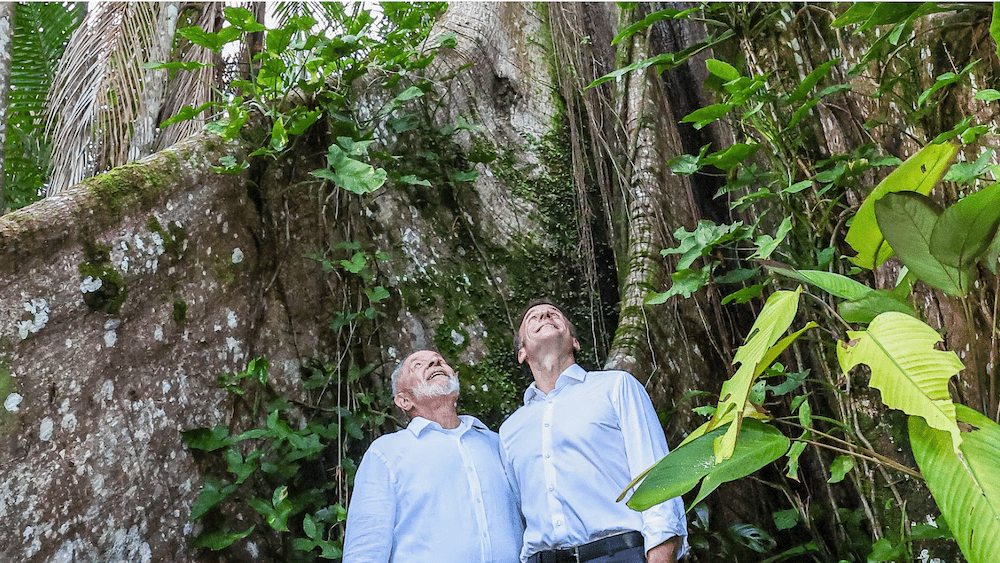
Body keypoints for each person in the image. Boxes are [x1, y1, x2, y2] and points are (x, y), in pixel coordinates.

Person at [500, 299, 688, 563]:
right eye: (533, 317)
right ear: (522, 353)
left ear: (574, 342)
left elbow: (656, 473)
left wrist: (661, 551)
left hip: (619, 553)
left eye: (554, 314)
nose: (544, 315)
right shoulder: (509, 430)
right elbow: (516, 515)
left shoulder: (616, 387)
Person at [342, 349, 523, 563]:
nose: (435, 362)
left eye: (440, 361)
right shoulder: (386, 453)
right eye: (417, 365)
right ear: (404, 401)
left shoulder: (497, 443)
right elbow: (364, 551)